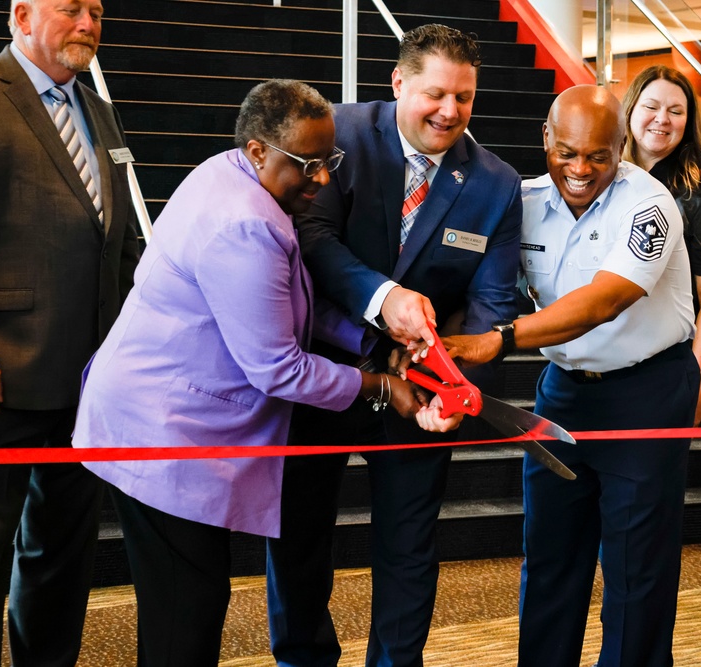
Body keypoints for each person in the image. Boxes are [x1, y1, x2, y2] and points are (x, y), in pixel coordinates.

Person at [71, 79, 441, 667]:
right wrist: (380, 387)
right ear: (258, 151)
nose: (322, 179)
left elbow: (289, 302)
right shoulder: (247, 225)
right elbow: (279, 369)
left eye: (330, 161)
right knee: (183, 616)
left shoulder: (233, 175)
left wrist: (374, 343)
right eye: (308, 165)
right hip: (162, 432)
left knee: (191, 602)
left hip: (170, 424)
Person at [265, 24, 523, 667]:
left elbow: (493, 299)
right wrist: (384, 304)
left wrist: (451, 372)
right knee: (298, 534)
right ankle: (301, 658)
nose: (450, 112)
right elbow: (312, 243)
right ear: (399, 82)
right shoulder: (338, 137)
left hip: (421, 389)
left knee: (409, 542)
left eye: (465, 98)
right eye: (436, 94)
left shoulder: (495, 182)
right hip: (320, 369)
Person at [441, 84, 699, 667]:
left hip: (647, 390)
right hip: (561, 391)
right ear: (546, 141)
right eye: (567, 153)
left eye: (598, 156)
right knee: (551, 554)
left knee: (636, 564)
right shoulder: (524, 201)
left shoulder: (649, 206)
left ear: (621, 146)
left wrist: (501, 338)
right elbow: (482, 283)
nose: (580, 169)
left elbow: (603, 300)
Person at [0, 0, 141, 664]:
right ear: (21, 15)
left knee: (61, 551)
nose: (87, 23)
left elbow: (117, 246)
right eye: (71, 8)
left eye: (97, 11)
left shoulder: (100, 111)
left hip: (86, 383)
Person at [622, 65, 701, 425]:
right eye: (651, 107)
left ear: (688, 122)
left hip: (665, 367)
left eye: (676, 111)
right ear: (630, 110)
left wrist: (698, 386)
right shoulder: (600, 178)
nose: (662, 119)